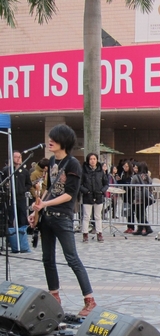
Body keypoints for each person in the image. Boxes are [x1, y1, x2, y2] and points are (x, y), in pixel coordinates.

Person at [29, 124, 97, 317]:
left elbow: (69, 195)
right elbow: (49, 190)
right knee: (47, 259)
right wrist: (37, 209)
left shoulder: (73, 164)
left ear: (64, 142)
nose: (50, 141)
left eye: (55, 139)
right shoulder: (51, 161)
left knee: (72, 258)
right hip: (47, 216)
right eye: (50, 138)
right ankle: (54, 297)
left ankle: (89, 300)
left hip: (62, 217)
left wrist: (46, 204)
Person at [2, 151, 32, 252]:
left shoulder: (24, 171)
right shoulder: (7, 170)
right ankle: (10, 239)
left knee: (22, 217)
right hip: (10, 197)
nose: (18, 159)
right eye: (16, 157)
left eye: (20, 157)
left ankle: (21, 239)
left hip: (20, 197)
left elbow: (29, 184)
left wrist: (23, 190)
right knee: (10, 218)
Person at [80, 152, 108, 243]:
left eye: (94, 159)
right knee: (86, 216)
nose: (92, 161)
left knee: (98, 216)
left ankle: (99, 233)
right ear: (88, 160)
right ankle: (85, 234)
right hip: (87, 196)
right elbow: (80, 184)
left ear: (97, 160)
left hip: (98, 195)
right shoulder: (84, 171)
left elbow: (106, 184)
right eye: (91, 159)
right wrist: (86, 191)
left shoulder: (100, 171)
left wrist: (102, 191)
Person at [130, 161, 153, 236]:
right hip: (146, 197)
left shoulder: (136, 177)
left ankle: (148, 228)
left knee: (139, 214)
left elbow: (131, 186)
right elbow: (150, 185)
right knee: (142, 213)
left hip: (138, 197)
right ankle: (140, 229)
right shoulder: (148, 176)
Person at [118, 161, 135, 233]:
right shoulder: (123, 174)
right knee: (126, 211)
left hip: (131, 195)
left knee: (131, 212)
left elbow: (129, 183)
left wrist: (122, 181)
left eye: (126, 166)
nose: (125, 168)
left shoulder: (132, 175)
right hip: (125, 194)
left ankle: (132, 227)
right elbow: (122, 182)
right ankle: (128, 226)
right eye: (124, 166)